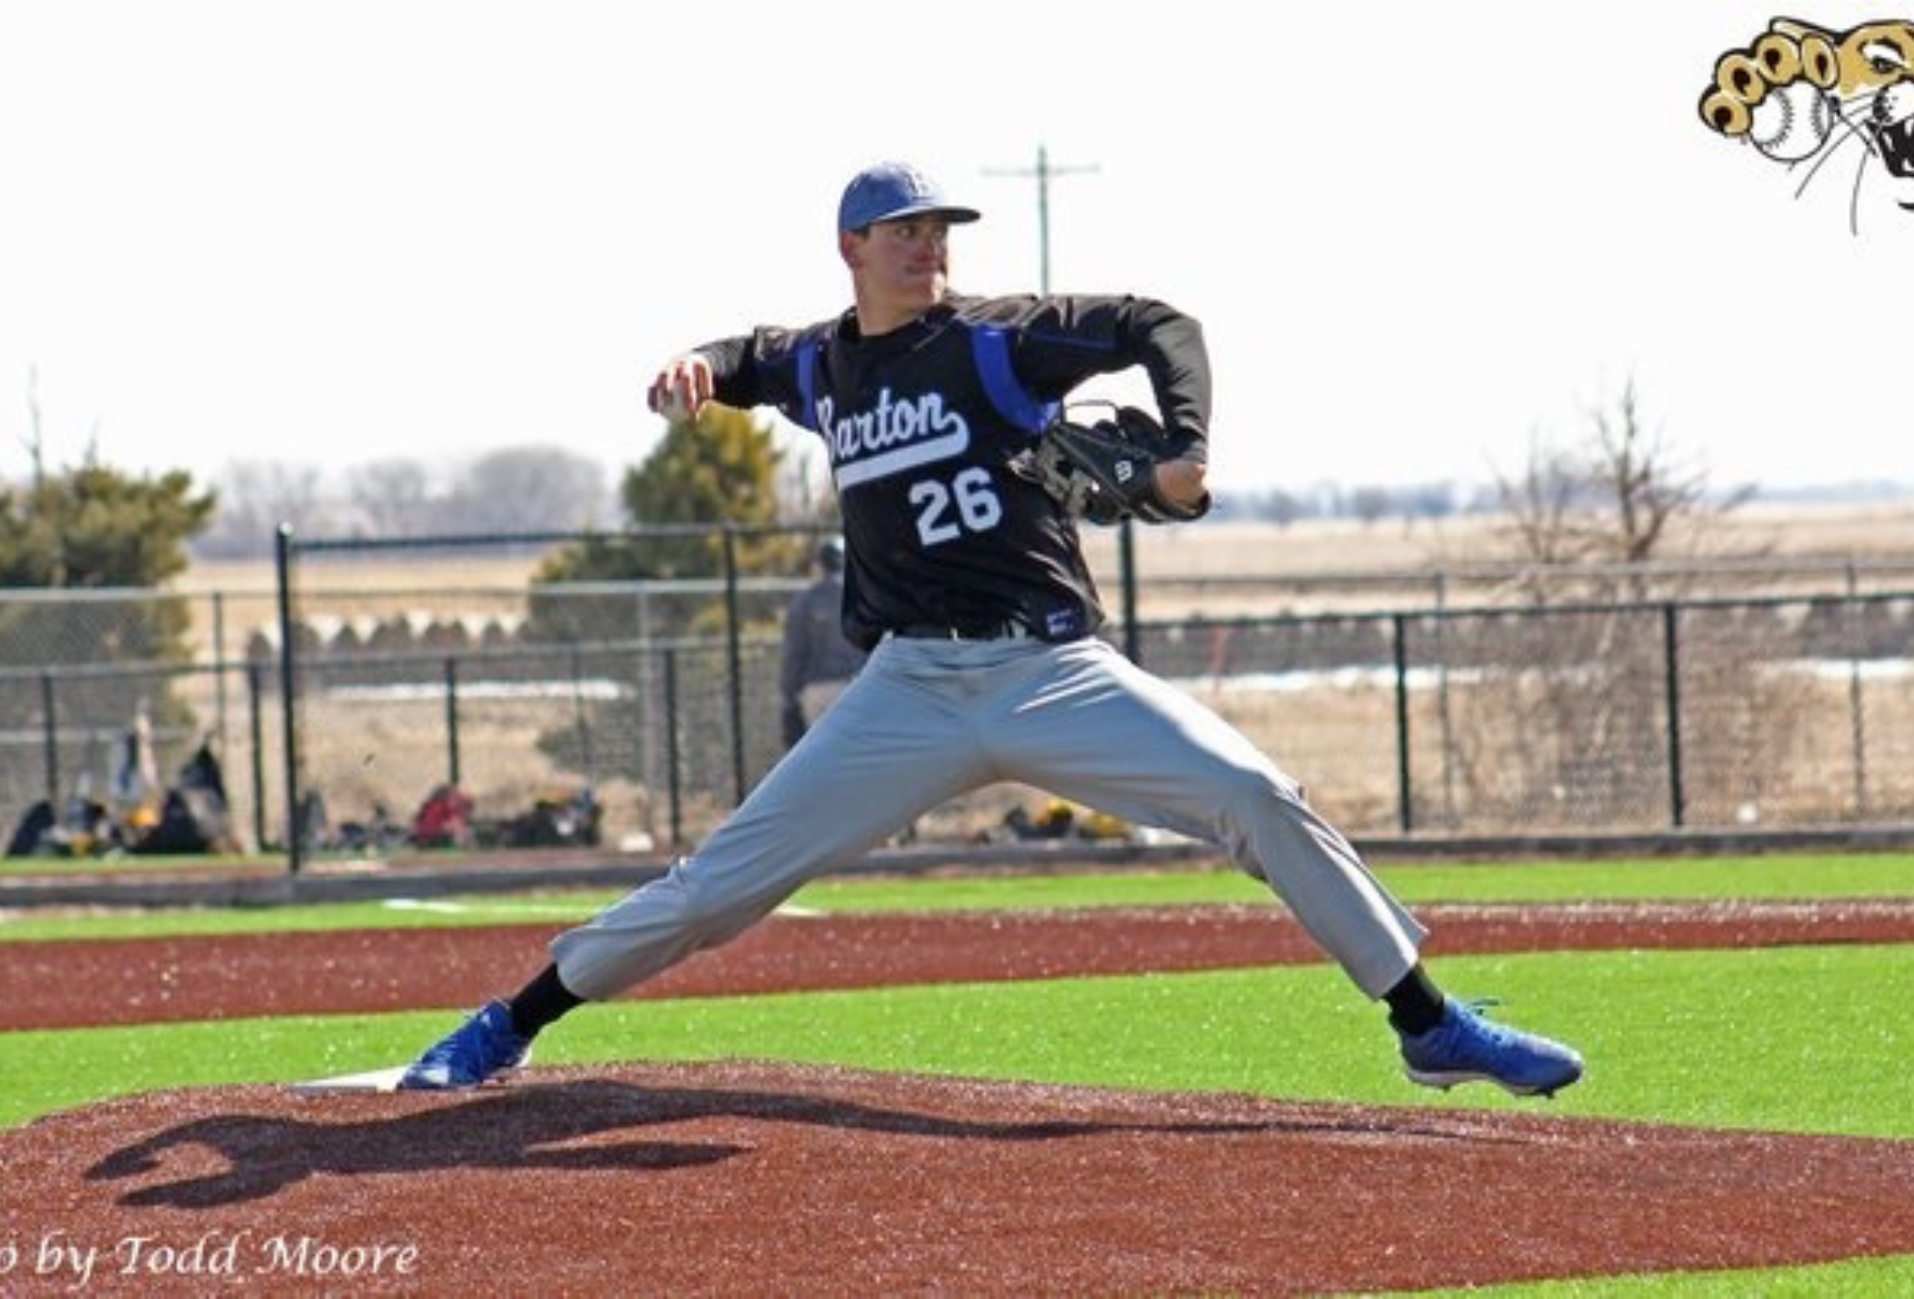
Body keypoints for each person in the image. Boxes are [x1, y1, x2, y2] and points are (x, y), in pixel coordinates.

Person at [398, 160, 1583, 1097]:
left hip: (1053, 670)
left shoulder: (996, 340)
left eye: (941, 229)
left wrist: (1185, 451)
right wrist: (691, 366)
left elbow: (1164, 322)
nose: (930, 246)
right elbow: (746, 359)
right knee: (718, 892)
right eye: (905, 229)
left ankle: (1428, 1025)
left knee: (1260, 798)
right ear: (853, 248)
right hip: (907, 690)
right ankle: (509, 1023)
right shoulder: (825, 365)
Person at [778, 535, 868, 748]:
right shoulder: (864, 594)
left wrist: (788, 695)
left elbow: (795, 653)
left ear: (819, 565)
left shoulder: (805, 600)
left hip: (818, 691)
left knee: (823, 755)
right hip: (861, 686)